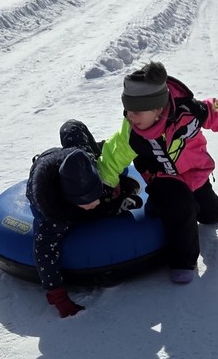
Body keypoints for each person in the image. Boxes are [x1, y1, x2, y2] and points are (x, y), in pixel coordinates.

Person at [97, 61, 218, 285]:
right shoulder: (132, 133)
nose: (129, 116)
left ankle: (199, 207)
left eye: (135, 111)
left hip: (195, 172)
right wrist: (105, 185)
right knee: (181, 206)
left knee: (211, 215)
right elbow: (114, 154)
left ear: (157, 109)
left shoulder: (190, 111)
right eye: (126, 110)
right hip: (162, 177)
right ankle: (183, 261)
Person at [27, 120, 141, 317]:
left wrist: (102, 166)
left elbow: (71, 126)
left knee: (103, 185)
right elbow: (44, 249)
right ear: (74, 202)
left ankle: (113, 193)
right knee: (93, 213)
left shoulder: (86, 160)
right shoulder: (56, 214)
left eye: (97, 196)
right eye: (90, 200)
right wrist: (58, 296)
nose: (96, 201)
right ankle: (114, 206)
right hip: (43, 171)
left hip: (71, 159)